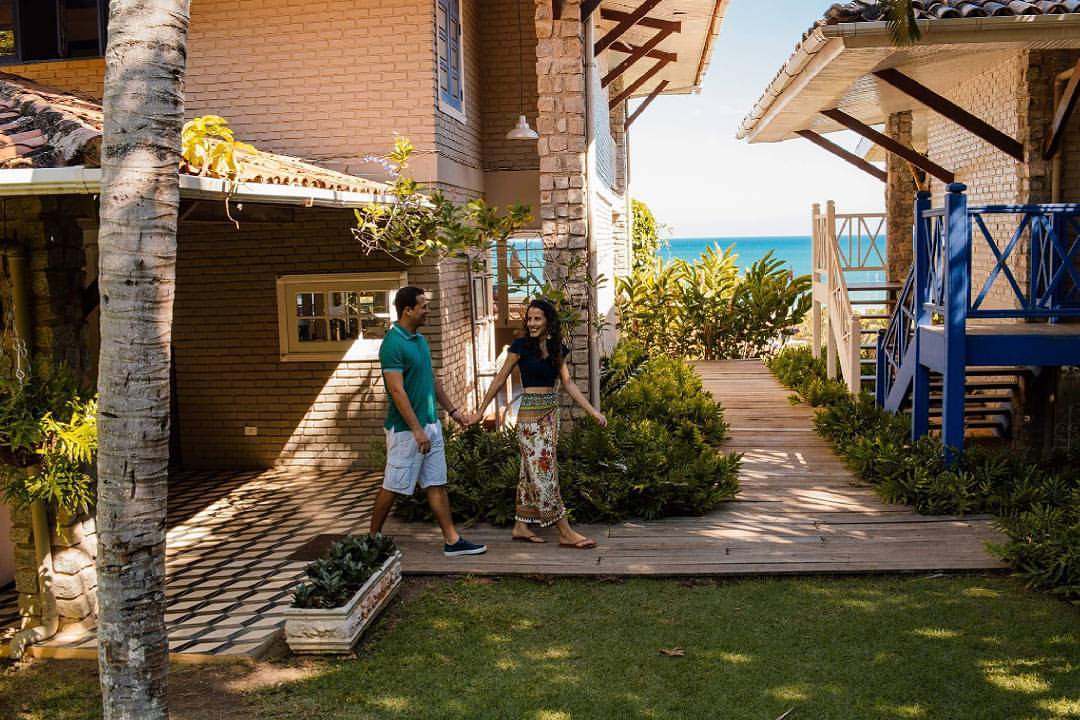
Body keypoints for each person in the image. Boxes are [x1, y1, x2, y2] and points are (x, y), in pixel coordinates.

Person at [468, 298, 606, 549]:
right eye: (529, 319)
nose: (531, 323)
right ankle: (564, 530)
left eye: (537, 319)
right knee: (544, 472)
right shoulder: (520, 346)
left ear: (548, 321)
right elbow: (500, 379)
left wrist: (592, 411)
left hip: (551, 416)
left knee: (529, 471)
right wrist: (480, 411)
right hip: (529, 418)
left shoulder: (557, 349)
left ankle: (521, 525)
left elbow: (568, 384)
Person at [369, 286, 487, 558]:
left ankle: (452, 540)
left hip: (430, 425)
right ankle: (371, 540)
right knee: (393, 484)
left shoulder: (419, 340)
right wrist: (416, 429)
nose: (427, 310)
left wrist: (455, 413)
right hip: (407, 431)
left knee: (436, 483)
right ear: (407, 310)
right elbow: (397, 391)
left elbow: (432, 381)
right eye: (423, 306)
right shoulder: (392, 344)